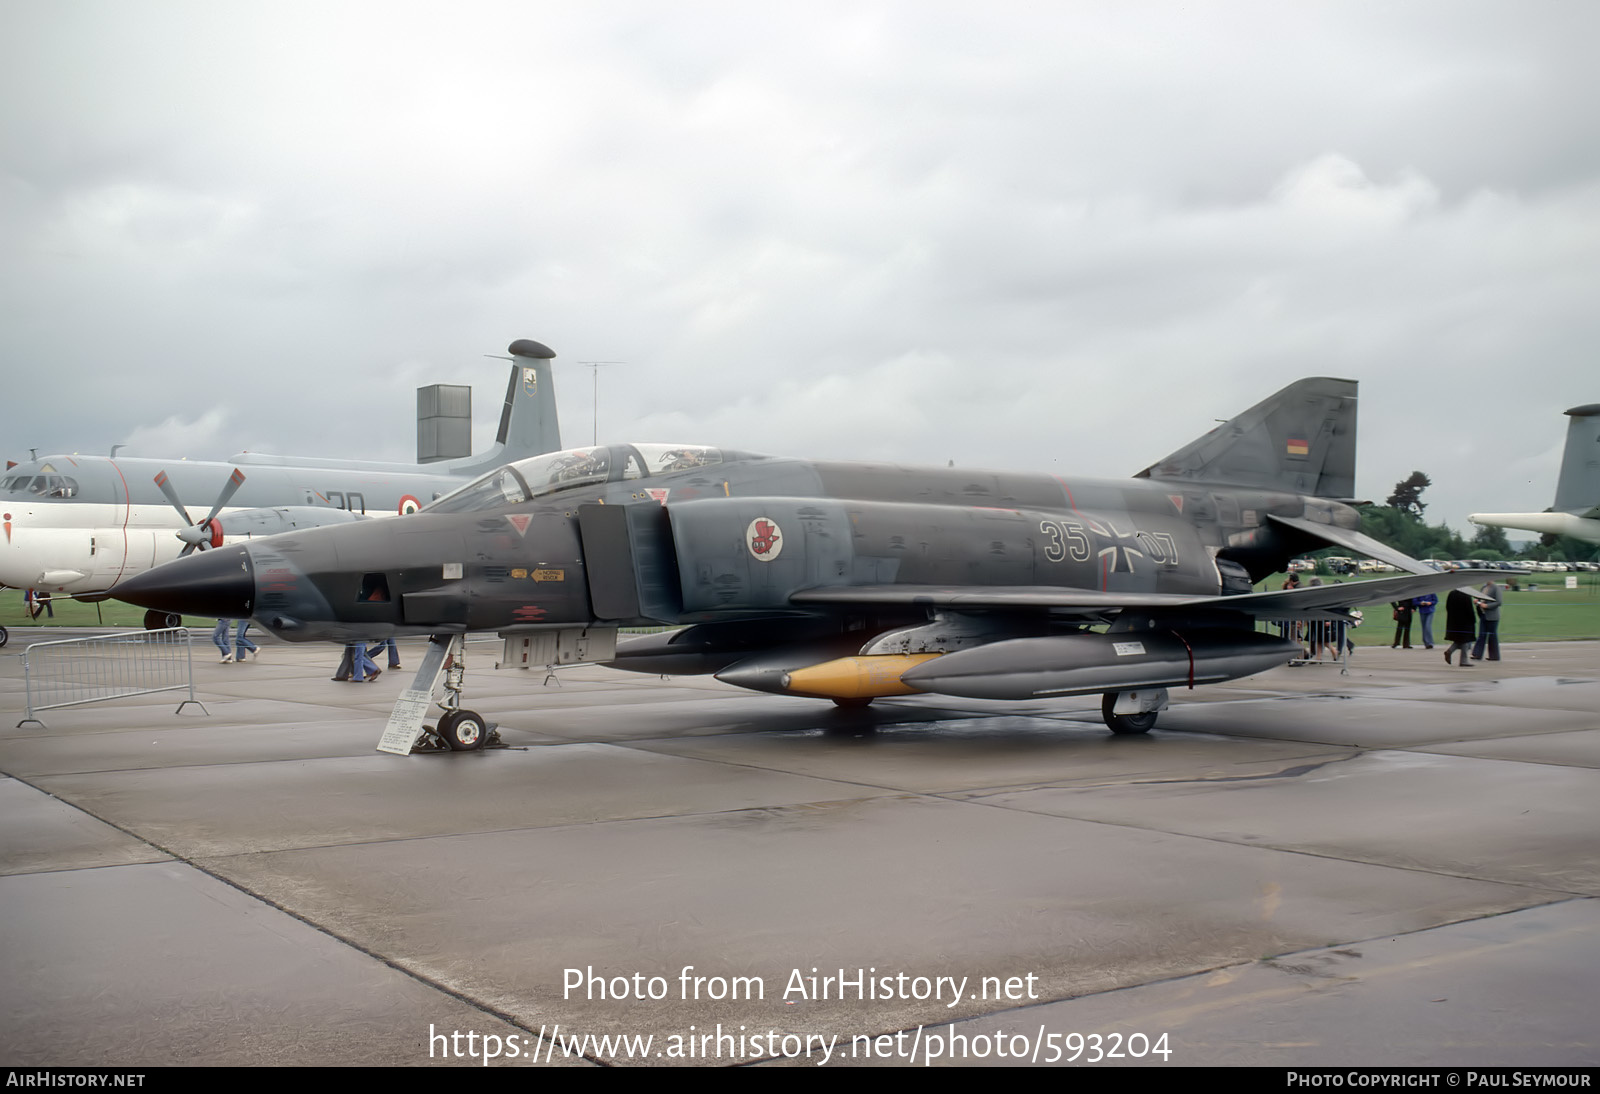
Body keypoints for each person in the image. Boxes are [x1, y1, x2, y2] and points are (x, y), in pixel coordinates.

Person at [1443, 588, 1477, 666]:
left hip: (1454, 621)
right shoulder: (1466, 595)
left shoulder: (1451, 593)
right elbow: (1469, 609)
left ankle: (1449, 651)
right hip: (1465, 622)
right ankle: (1463, 661)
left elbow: (1447, 607)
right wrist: (1473, 620)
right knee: (1465, 640)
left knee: (1459, 640)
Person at [1472, 579, 1503, 662]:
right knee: (1481, 635)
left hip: (1492, 616)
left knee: (1492, 636)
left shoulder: (1496, 588)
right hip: (1483, 615)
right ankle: (1477, 654)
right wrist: (1477, 601)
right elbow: (1480, 598)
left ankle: (1494, 656)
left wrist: (1487, 606)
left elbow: (1499, 602)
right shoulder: (1484, 587)